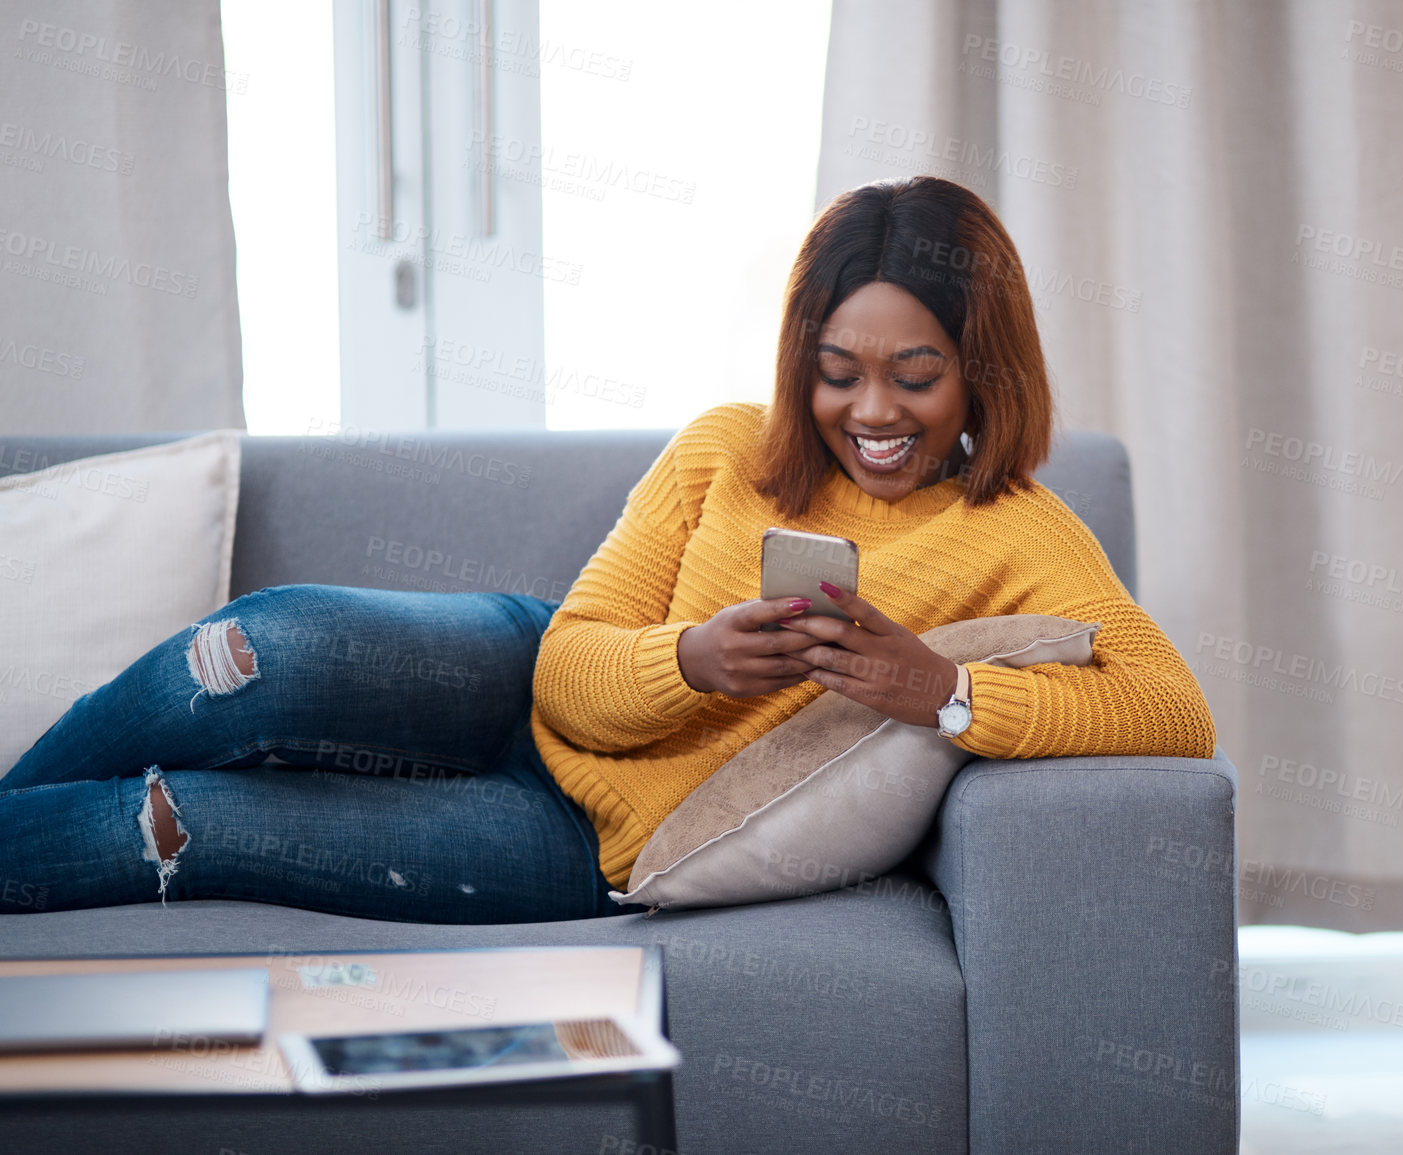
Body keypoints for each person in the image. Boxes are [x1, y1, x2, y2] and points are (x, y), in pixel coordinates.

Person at [0, 175, 1214, 925]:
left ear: (980, 369)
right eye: (838, 374)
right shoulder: (726, 447)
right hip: (532, 675)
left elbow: (1175, 714)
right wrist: (690, 661)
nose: (875, 414)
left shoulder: (1018, 530)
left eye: (917, 376)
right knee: (250, 650)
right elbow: (570, 664)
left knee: (184, 828)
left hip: (589, 842)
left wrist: (941, 694)